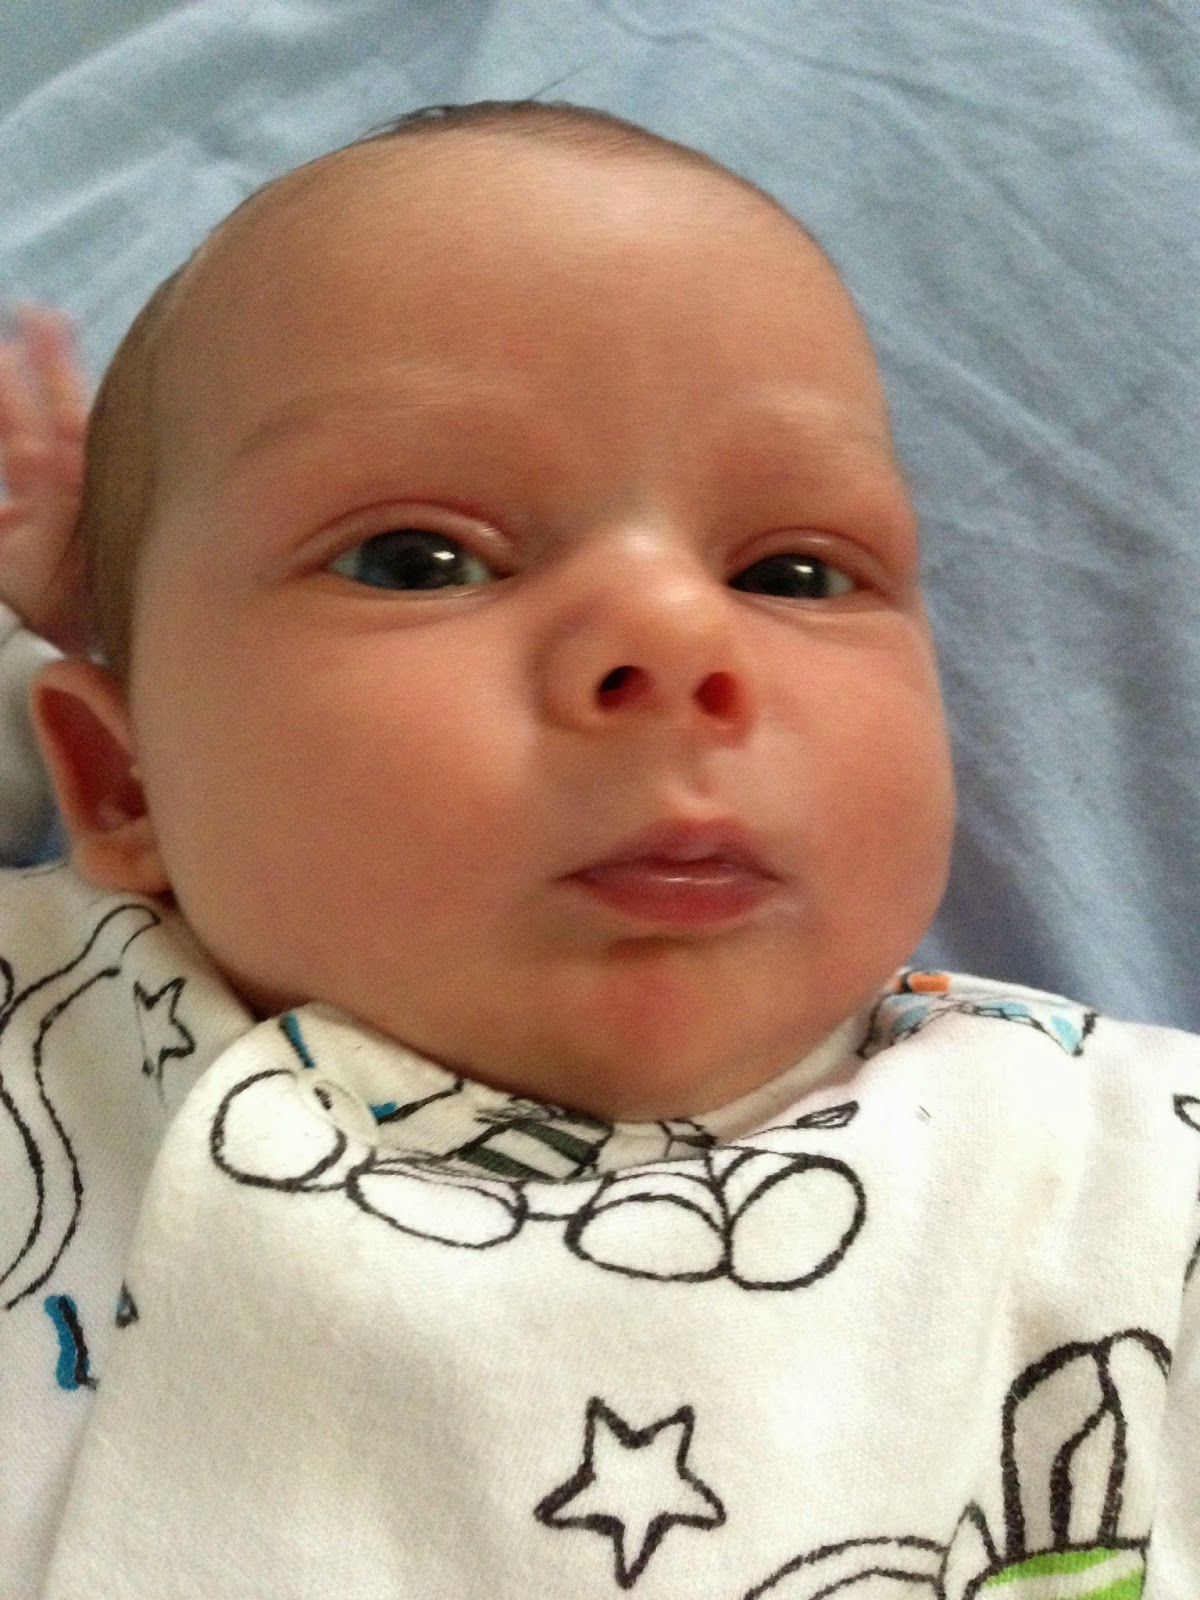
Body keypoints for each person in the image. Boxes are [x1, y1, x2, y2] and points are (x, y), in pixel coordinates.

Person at [0, 101, 1196, 1600]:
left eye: (795, 573)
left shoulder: (1116, 1161)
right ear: (119, 784)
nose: (677, 635)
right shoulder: (52, 1014)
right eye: (420, 560)